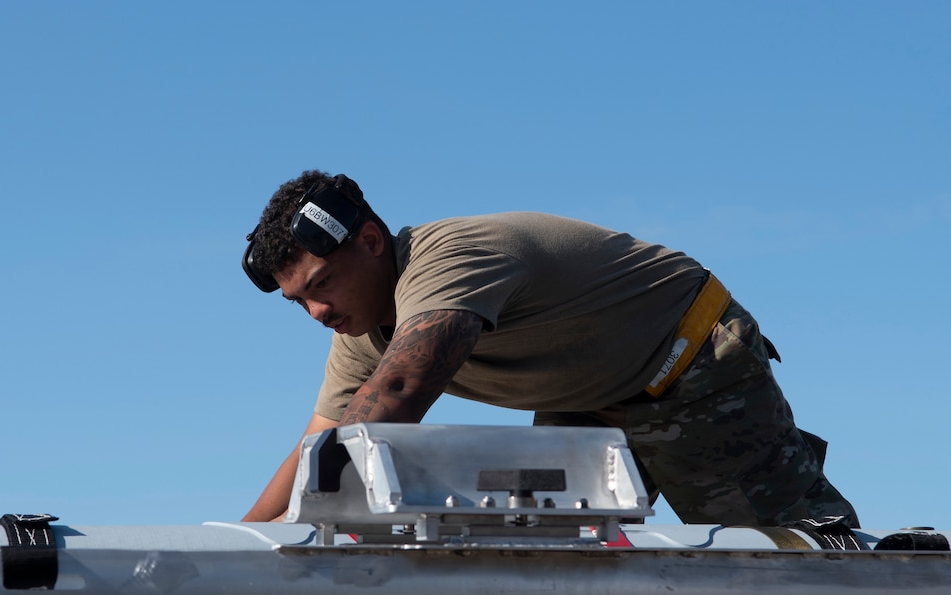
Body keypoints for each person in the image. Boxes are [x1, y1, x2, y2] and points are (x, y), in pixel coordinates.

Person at [239, 170, 859, 528]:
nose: (317, 312)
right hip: (591, 396)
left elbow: (396, 397)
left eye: (321, 285)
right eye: (300, 302)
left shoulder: (446, 261)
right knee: (547, 548)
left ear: (371, 241)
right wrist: (238, 543)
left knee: (771, 552)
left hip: (685, 362)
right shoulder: (360, 328)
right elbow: (316, 449)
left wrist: (304, 531)